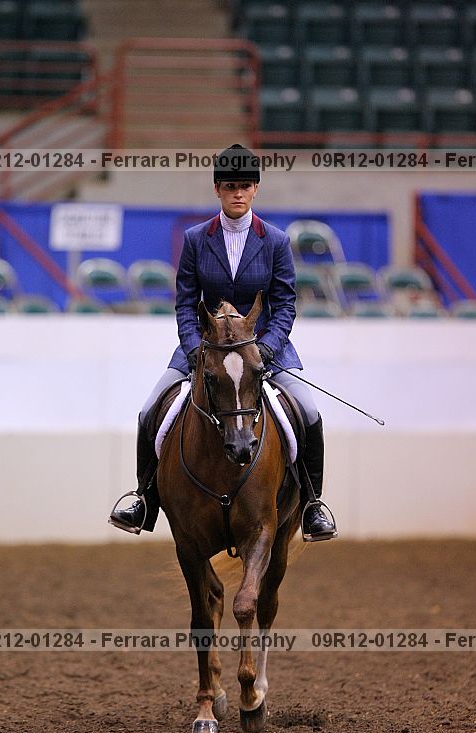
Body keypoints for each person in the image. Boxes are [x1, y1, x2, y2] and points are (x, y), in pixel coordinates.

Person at [110, 144, 337, 541]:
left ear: (255, 190)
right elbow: (185, 302)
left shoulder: (276, 241)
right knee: (149, 412)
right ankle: (143, 498)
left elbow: (285, 305)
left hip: (265, 351)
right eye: (230, 186)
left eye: (245, 186)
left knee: (309, 412)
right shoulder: (196, 239)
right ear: (217, 189)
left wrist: (265, 350)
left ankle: (313, 505)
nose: (238, 193)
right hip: (205, 351)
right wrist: (193, 348)